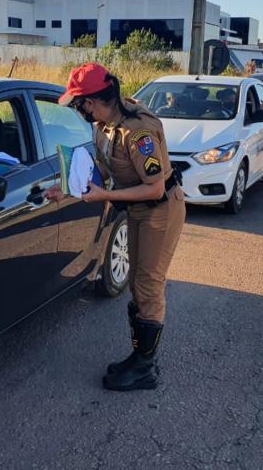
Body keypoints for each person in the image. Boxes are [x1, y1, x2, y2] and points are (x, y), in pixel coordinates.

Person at [47, 62, 185, 391]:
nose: (78, 110)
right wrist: (65, 187)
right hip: (136, 209)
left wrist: (104, 195)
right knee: (137, 284)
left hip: (160, 210)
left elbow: (153, 186)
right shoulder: (105, 125)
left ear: (92, 102)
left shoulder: (138, 132)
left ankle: (145, 368)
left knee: (148, 284)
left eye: (78, 104)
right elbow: (100, 165)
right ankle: (139, 357)